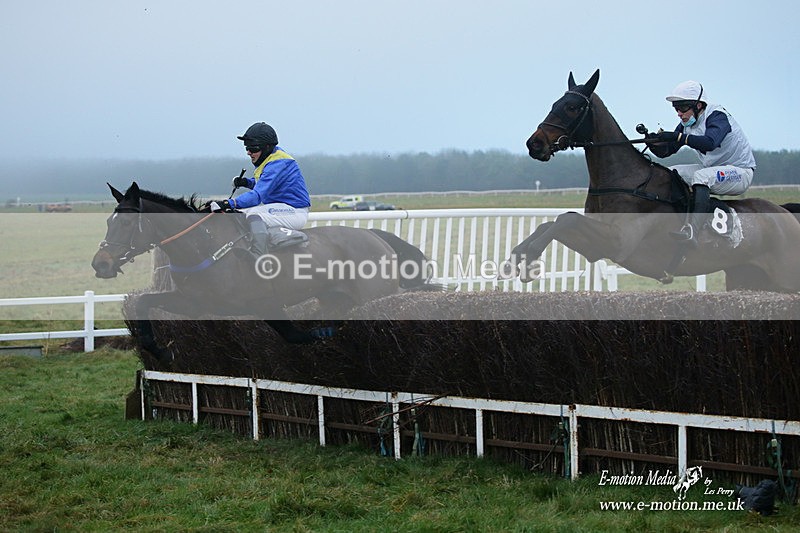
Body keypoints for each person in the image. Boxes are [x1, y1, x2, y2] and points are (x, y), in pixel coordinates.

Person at [646, 81, 756, 246]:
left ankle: (693, 231)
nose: (679, 114)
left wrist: (677, 137)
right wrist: (652, 143)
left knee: (701, 176)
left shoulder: (717, 116)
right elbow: (667, 152)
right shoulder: (687, 123)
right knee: (670, 173)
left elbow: (710, 142)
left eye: (683, 108)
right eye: (676, 108)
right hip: (713, 170)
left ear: (698, 105)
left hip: (739, 172)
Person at [209, 122, 311, 257]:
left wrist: (229, 203)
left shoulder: (278, 163)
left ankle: (259, 256)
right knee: (243, 213)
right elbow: (264, 185)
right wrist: (246, 182)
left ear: (267, 147)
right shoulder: (271, 158)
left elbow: (257, 196)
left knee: (253, 215)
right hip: (281, 207)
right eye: (247, 147)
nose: (248, 152)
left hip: (294, 211)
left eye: (253, 148)